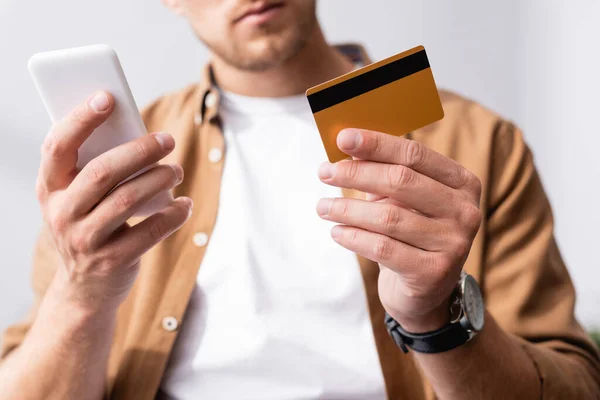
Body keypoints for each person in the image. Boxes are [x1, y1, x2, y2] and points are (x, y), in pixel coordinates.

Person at [1, 0, 599, 399]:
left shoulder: (479, 142)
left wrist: (434, 319)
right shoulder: (117, 162)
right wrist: (83, 293)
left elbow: (574, 384)